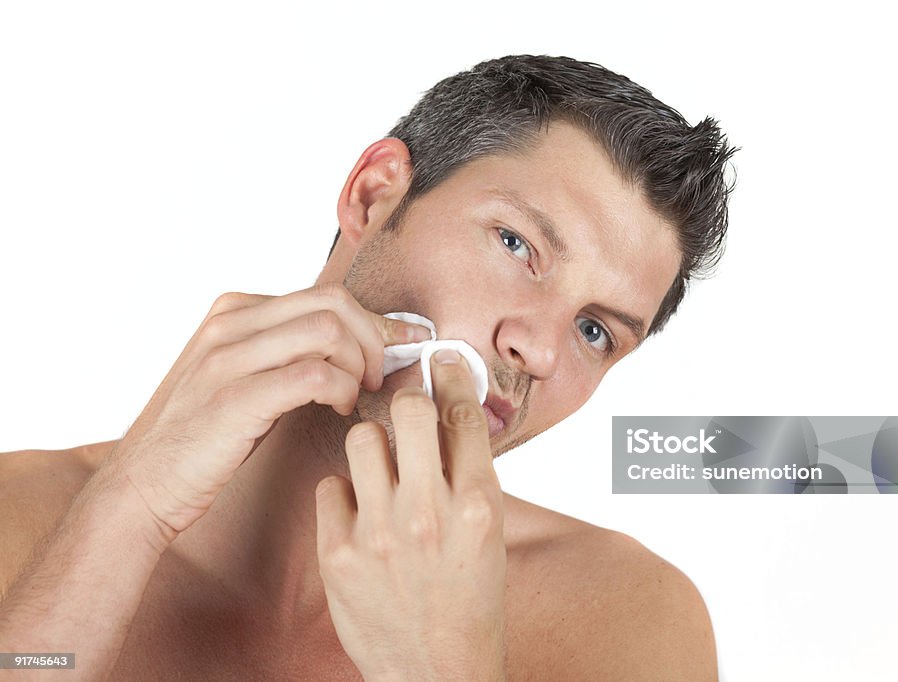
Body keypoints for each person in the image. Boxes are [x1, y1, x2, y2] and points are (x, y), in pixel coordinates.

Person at [0, 55, 734, 680]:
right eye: (516, 245)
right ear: (374, 195)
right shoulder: (17, 515)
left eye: (594, 331)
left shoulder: (628, 620)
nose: (538, 352)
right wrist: (127, 509)